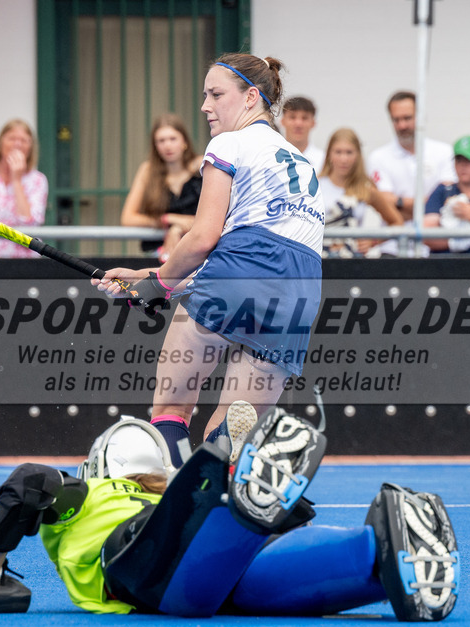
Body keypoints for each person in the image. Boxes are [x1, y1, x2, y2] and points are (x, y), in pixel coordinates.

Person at [0, 408, 460, 621]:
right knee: (253, 571)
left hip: (141, 568)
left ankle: (235, 494)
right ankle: (384, 554)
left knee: (202, 555)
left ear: (99, 462)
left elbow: (31, 480)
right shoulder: (155, 494)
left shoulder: (90, 495)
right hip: (208, 568)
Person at [94, 53, 326, 469]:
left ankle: (177, 495)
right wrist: (149, 276)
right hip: (301, 288)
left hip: (240, 269)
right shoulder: (302, 160)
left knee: (171, 408)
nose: (205, 106)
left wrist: (160, 283)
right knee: (229, 426)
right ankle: (225, 443)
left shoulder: (229, 143)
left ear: (251, 97)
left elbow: (204, 238)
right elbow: (252, 254)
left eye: (216, 94)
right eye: (205, 95)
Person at [368, 90, 456, 257]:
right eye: (396, 120)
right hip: (392, 249)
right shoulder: (378, 157)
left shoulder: (444, 152)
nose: (402, 126)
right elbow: (384, 206)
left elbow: (447, 204)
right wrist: (429, 206)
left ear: (421, 117)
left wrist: (398, 202)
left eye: (407, 118)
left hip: (434, 250)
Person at [120, 113, 202, 262]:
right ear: (155, 145)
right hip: (159, 253)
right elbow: (128, 218)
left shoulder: (202, 165)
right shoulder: (148, 170)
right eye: (161, 140)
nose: (167, 145)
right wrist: (169, 219)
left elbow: (219, 215)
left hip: (199, 250)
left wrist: (178, 229)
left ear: (185, 141)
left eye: (172, 139)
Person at [318, 127, 402, 258]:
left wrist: (373, 241)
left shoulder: (365, 188)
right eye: (338, 152)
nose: (343, 159)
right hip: (319, 260)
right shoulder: (315, 185)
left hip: (352, 263)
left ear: (358, 155)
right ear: (329, 154)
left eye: (349, 152)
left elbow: (397, 222)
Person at [0, 119, 48, 258]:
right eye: (12, 139)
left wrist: (16, 180)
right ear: (1, 142)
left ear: (31, 147)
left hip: (26, 259)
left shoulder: (38, 180)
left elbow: (29, 223)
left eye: (24, 140)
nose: (17, 144)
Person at [280, 96, 324, 170]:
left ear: (313, 123)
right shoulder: (271, 157)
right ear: (282, 121)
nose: (298, 124)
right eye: (292, 117)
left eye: (304, 118)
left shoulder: (324, 162)